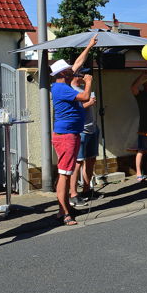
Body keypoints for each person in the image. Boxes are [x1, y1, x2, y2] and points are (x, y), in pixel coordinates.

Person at [50, 34, 97, 225]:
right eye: (69, 70)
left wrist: (89, 46)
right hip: (66, 136)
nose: (73, 71)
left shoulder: (62, 83)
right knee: (64, 174)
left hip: (70, 134)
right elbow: (85, 97)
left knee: (66, 172)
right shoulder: (63, 89)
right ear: (62, 74)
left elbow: (77, 62)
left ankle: (64, 209)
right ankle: (65, 211)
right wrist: (89, 81)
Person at [69, 68, 98, 208]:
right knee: (78, 162)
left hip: (92, 128)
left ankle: (87, 189)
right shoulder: (72, 90)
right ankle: (73, 193)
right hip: (81, 130)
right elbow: (75, 110)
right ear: (77, 76)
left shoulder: (83, 88)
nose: (85, 76)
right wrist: (89, 103)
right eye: (83, 74)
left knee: (91, 159)